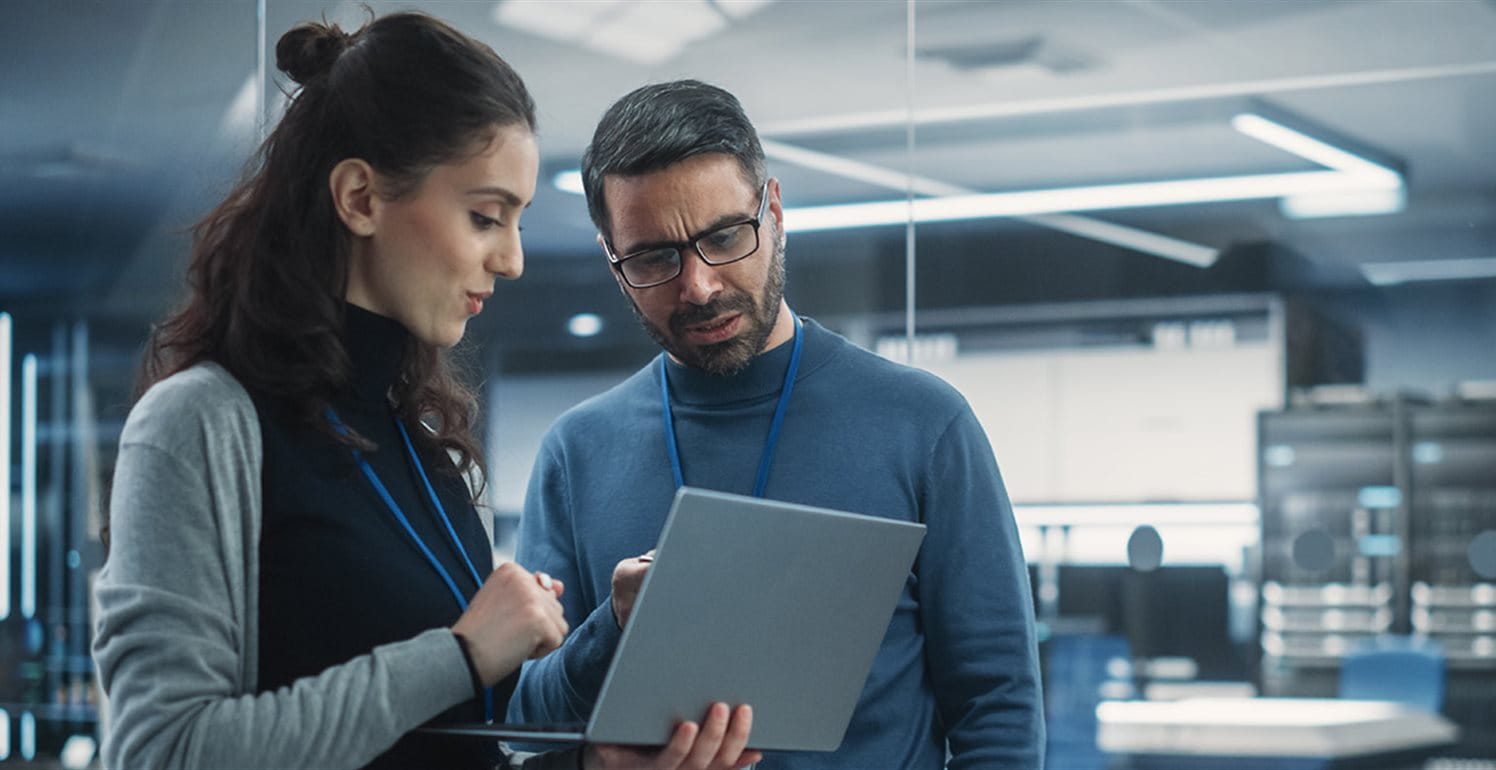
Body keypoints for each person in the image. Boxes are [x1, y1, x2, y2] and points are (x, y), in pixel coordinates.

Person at [92, 16, 759, 770]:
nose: (511, 260)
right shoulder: (199, 424)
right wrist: (461, 654)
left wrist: (594, 767)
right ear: (360, 198)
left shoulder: (426, 448)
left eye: (516, 222)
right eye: (484, 217)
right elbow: (161, 751)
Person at [508, 79, 1045, 769]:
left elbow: (997, 708)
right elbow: (528, 724)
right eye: (653, 258)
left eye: (724, 236)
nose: (698, 286)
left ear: (776, 212)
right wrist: (613, 627)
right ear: (614, 263)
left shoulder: (924, 424)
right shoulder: (578, 452)